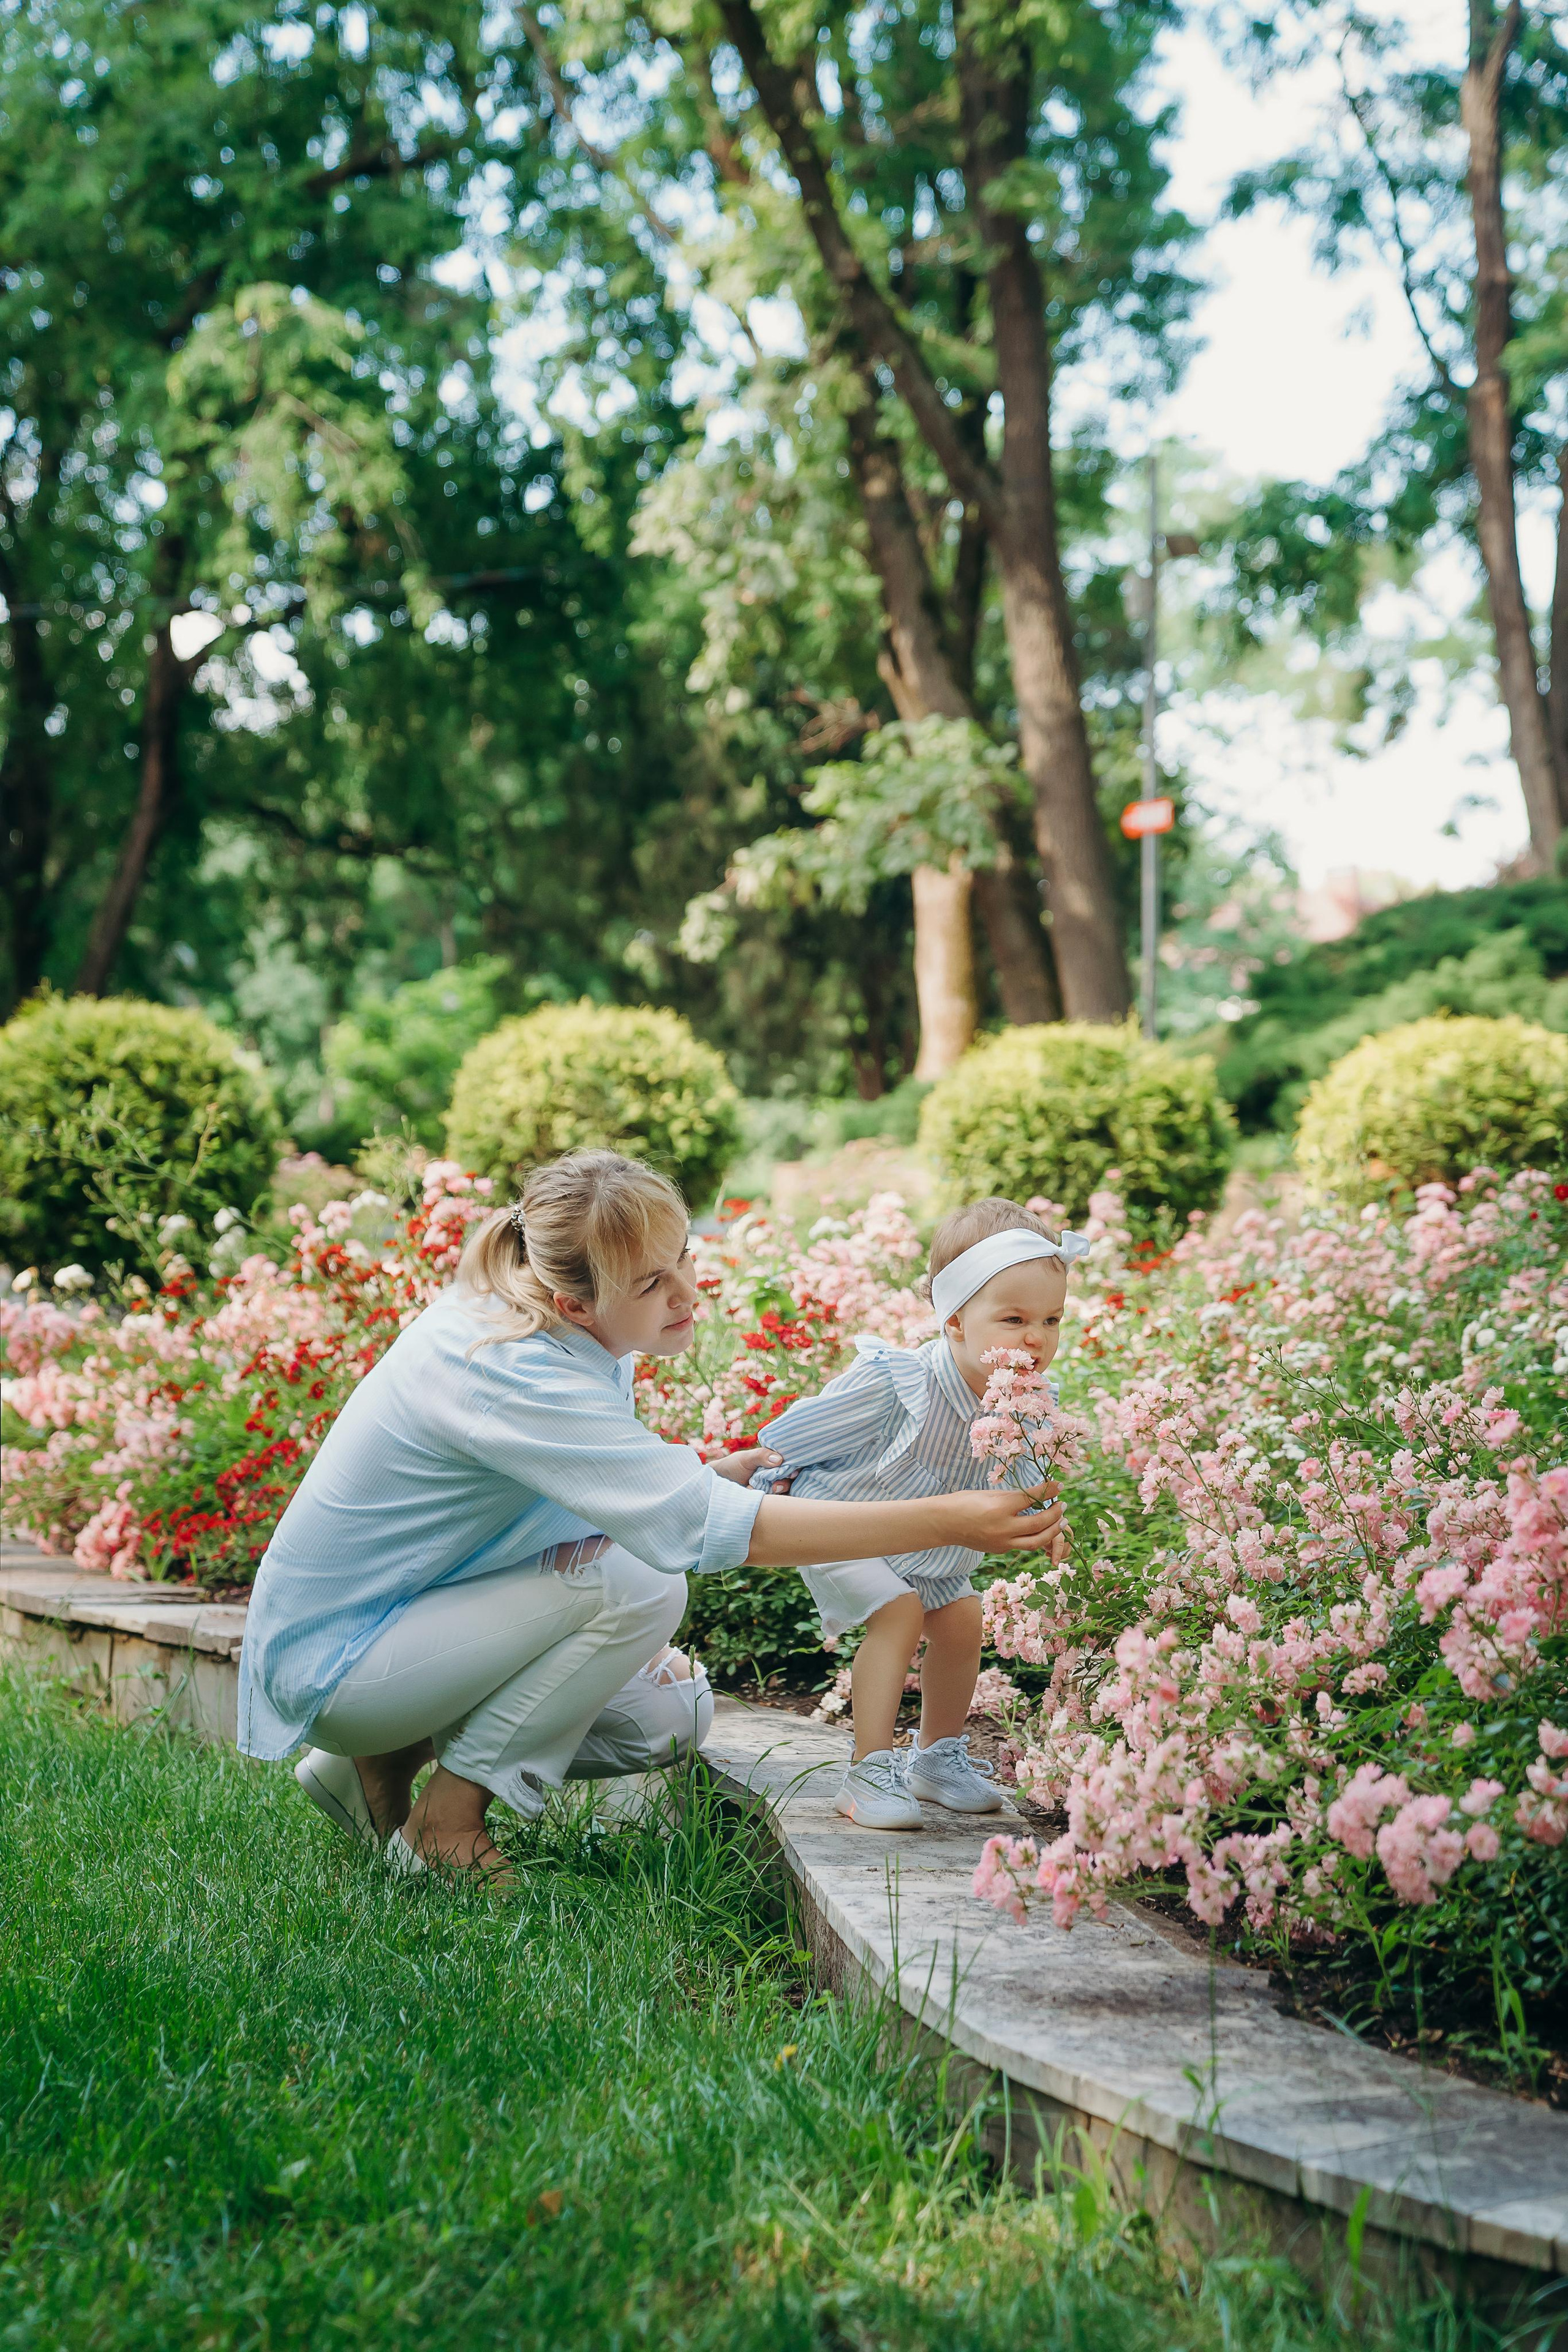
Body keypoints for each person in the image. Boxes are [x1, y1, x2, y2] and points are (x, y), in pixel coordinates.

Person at [237, 1152, 1063, 1880]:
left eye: (684, 1260)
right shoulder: (501, 1362)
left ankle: (374, 1767)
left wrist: (704, 1472)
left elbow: (576, 1481)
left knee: (675, 1713)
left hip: (409, 1631)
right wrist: (949, 1519)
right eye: (652, 1284)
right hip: (341, 1660)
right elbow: (682, 1532)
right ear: (573, 1302)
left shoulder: (562, 1331)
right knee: (643, 1582)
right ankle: (445, 1827)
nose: (687, 1293)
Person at [750, 1199, 1088, 1830]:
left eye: (1051, 1318)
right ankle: (867, 1771)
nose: (1036, 1338)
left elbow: (1022, 1476)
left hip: (927, 1552)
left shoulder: (1027, 1403)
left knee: (962, 1618)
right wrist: (765, 1480)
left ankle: (935, 1758)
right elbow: (799, 1435)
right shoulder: (899, 1380)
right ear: (955, 1319)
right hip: (836, 1524)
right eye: (1013, 1318)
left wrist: (1048, 1518)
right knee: (898, 1612)